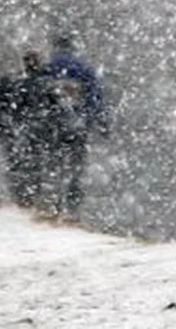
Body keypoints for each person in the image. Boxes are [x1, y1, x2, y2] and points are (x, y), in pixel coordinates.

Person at [40, 33, 108, 216]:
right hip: (78, 123)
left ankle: (51, 202)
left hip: (51, 123)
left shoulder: (46, 68)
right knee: (75, 165)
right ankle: (72, 205)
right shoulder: (83, 69)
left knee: (52, 163)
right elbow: (94, 97)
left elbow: (36, 97)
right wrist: (101, 122)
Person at [0, 51, 55, 206]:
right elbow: (53, 107)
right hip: (36, 128)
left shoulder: (12, 81)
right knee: (34, 163)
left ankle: (20, 195)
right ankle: (31, 195)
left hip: (16, 127)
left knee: (16, 162)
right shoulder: (45, 82)